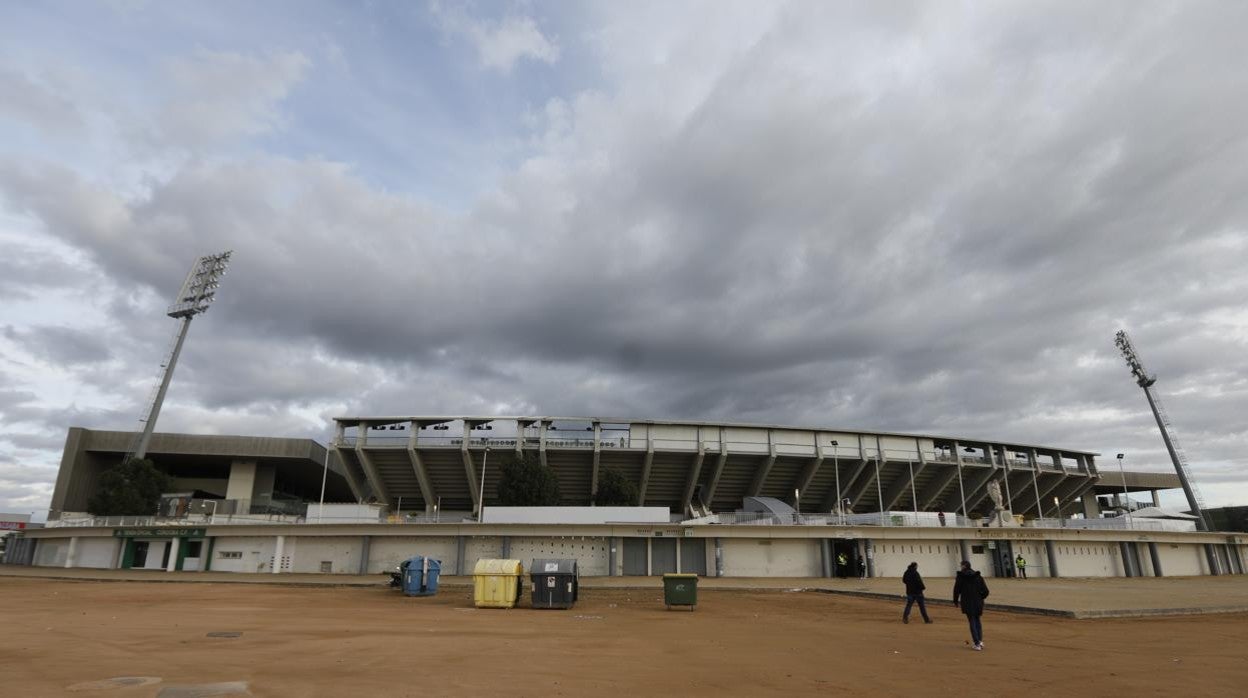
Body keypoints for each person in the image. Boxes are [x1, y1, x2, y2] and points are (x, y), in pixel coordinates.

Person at [952, 560, 990, 651]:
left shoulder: (961, 577)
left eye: (961, 566)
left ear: (964, 566)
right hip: (978, 601)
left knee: (972, 621)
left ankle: (976, 643)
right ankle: (980, 641)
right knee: (977, 620)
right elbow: (986, 591)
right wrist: (981, 597)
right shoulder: (978, 576)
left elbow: (956, 590)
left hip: (967, 601)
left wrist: (955, 601)